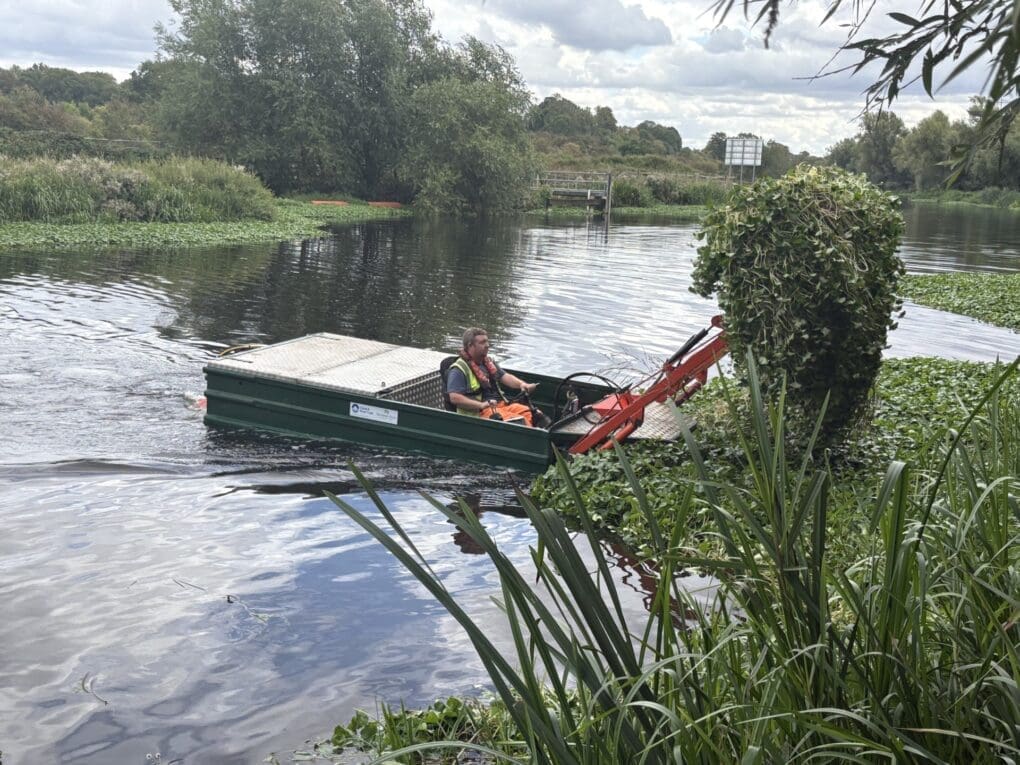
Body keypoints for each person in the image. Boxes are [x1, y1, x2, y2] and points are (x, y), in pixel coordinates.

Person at [446, 327, 549, 428]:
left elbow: (505, 376)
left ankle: (554, 442)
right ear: (470, 346)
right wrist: (481, 405)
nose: (487, 345)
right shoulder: (459, 369)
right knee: (520, 422)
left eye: (487, 342)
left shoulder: (488, 362)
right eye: (482, 342)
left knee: (535, 414)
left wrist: (522, 384)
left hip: (501, 405)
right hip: (480, 411)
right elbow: (455, 398)